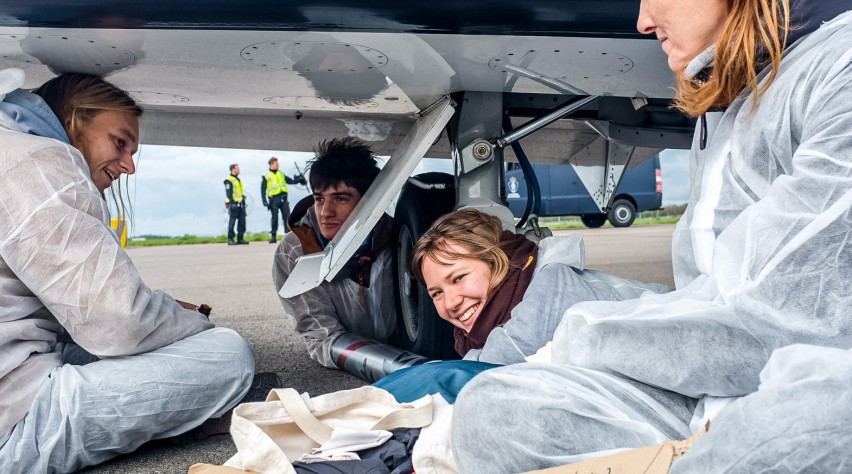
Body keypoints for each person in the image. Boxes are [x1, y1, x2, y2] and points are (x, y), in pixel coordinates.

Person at [451, 1, 852, 472]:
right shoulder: (725, 111)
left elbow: (787, 324)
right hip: (716, 395)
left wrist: (588, 340)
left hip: (808, 394)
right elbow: (713, 291)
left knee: (782, 438)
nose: (641, 21)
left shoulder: (838, 71)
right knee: (492, 411)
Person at [0, 70, 255, 473]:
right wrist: (189, 323)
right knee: (229, 354)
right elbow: (119, 323)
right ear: (73, 121)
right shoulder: (40, 161)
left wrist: (161, 309)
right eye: (119, 143)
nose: (129, 166)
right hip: (12, 422)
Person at [411, 208, 667, 363]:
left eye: (458, 278)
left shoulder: (550, 289)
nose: (451, 302)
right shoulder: (485, 331)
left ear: (497, 260)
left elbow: (495, 364)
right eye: (437, 293)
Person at [272, 137, 398, 369]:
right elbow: (321, 334)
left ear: (369, 201)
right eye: (320, 198)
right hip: (359, 360)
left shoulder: (398, 236)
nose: (325, 212)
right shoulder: (295, 250)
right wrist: (395, 365)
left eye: (340, 198)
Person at [261, 156, 306, 244]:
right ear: (271, 164)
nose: (278, 165)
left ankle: (289, 235)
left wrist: (299, 179)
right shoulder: (266, 176)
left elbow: (290, 181)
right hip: (273, 199)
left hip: (283, 198)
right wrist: (264, 201)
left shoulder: (281, 173)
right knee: (274, 218)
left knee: (287, 216)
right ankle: (273, 236)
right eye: (276, 163)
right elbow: (263, 190)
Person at [224, 163, 249, 245]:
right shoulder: (228, 180)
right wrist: (232, 202)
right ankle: (230, 239)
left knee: (242, 222)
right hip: (233, 204)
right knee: (232, 222)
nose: (239, 170)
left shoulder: (238, 180)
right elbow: (229, 193)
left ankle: (240, 238)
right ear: (233, 169)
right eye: (237, 169)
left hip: (241, 204)